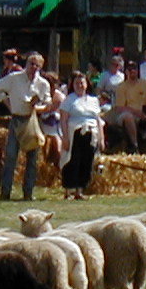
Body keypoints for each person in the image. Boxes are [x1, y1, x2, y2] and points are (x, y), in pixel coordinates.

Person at [0, 51, 52, 201]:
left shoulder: (42, 83)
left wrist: (38, 106)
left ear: (41, 67)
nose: (34, 67)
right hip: (16, 119)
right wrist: (6, 102)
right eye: (31, 64)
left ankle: (28, 193)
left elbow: (48, 101)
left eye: (37, 65)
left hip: (31, 120)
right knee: (11, 156)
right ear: (26, 64)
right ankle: (5, 192)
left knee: (32, 158)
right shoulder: (14, 79)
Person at [59, 70, 104, 200]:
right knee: (72, 161)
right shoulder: (69, 100)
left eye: (82, 83)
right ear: (73, 85)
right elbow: (63, 120)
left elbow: (98, 120)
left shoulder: (93, 100)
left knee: (86, 161)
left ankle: (79, 190)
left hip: (90, 133)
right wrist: (65, 137)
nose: (80, 85)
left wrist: (101, 137)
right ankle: (68, 191)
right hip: (74, 133)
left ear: (86, 84)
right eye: (77, 83)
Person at [108, 59, 146, 151]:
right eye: (129, 69)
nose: (132, 71)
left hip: (143, 115)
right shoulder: (121, 87)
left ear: (138, 70)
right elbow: (120, 108)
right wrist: (136, 112)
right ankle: (134, 145)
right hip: (125, 114)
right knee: (128, 117)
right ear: (126, 72)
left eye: (134, 68)